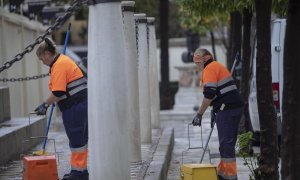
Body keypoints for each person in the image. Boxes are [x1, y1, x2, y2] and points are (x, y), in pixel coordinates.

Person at [34, 38, 88, 180]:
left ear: (46, 53)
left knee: (77, 140)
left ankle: (78, 173)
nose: (43, 62)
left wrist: (44, 104)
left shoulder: (59, 64)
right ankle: (80, 170)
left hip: (74, 106)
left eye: (41, 59)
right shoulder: (63, 60)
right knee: (80, 140)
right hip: (79, 104)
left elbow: (58, 91)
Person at [192, 48, 243, 180]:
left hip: (227, 109)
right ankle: (223, 175)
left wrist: (199, 114)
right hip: (230, 108)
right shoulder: (217, 66)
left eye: (197, 63)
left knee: (226, 145)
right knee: (226, 145)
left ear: (203, 60)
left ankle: (230, 177)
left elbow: (209, 95)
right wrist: (215, 111)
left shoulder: (209, 69)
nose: (197, 66)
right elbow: (218, 93)